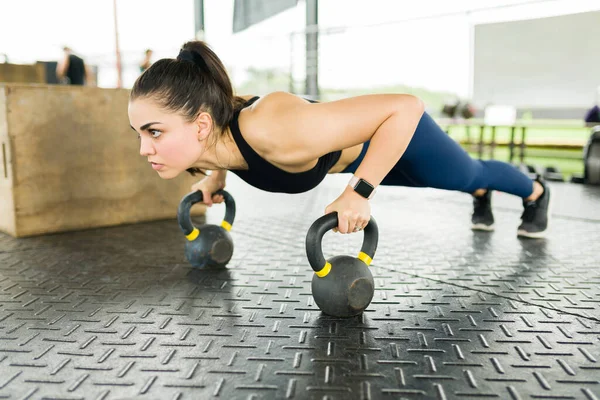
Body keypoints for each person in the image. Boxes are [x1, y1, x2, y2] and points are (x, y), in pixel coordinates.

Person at [128, 41, 551, 239]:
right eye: (141, 133)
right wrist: (214, 180)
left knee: (467, 172)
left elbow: (405, 107)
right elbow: (227, 144)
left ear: (199, 125)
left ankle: (535, 192)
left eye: (155, 132)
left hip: (397, 136)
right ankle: (477, 190)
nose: (145, 149)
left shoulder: (273, 127)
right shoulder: (214, 134)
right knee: (448, 180)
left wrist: (360, 192)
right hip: (353, 161)